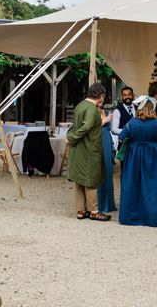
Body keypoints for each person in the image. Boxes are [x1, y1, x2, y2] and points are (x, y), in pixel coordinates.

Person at [117, 96, 157, 226]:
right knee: (152, 183)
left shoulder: (131, 123)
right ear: (152, 109)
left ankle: (131, 216)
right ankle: (152, 216)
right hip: (153, 154)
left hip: (134, 154)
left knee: (133, 182)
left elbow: (122, 137)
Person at [66, 83, 112, 221]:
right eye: (103, 96)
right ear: (101, 96)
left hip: (78, 149)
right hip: (89, 149)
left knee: (79, 180)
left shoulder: (80, 105)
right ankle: (94, 211)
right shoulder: (92, 108)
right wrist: (71, 137)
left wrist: (71, 137)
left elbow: (76, 125)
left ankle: (81, 211)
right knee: (90, 179)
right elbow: (86, 127)